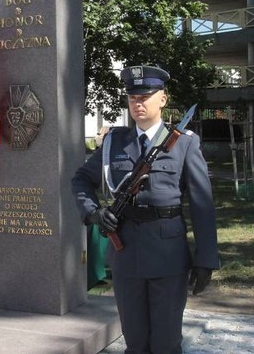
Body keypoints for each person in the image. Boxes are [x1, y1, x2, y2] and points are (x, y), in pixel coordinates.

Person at [71, 65, 219, 354]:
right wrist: (93, 212)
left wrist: (207, 258)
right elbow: (80, 180)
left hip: (168, 256)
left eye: (146, 96)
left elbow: (203, 205)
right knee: (135, 343)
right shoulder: (114, 142)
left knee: (165, 344)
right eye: (132, 98)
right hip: (126, 255)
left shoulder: (184, 143)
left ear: (162, 99)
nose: (138, 103)